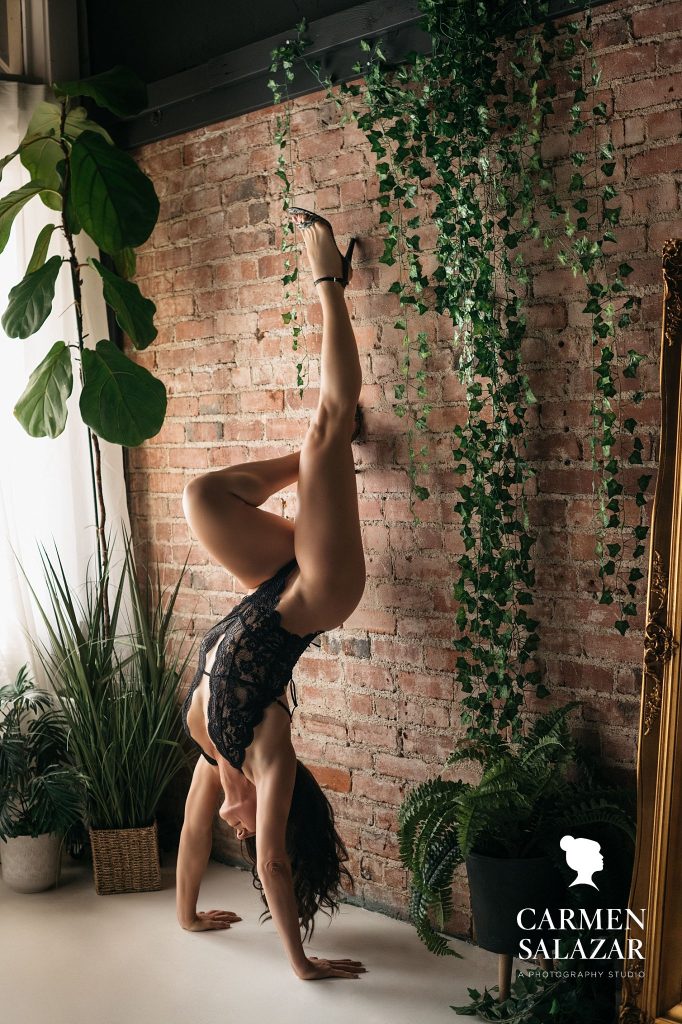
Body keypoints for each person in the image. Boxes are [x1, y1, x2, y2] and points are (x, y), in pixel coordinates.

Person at [175, 208, 367, 982]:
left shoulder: (208, 740)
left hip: (272, 583)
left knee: (201, 496)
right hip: (320, 592)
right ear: (278, 810)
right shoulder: (271, 756)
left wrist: (185, 913)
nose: (242, 837)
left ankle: (329, 446)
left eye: (244, 839)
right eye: (252, 834)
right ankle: (329, 277)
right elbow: (279, 868)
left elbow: (193, 831)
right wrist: (302, 965)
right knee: (327, 425)